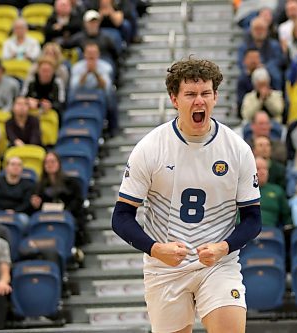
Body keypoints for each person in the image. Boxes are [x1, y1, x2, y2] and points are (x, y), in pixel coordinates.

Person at [111, 58, 262, 333]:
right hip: (165, 267)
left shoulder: (237, 149)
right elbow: (121, 217)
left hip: (218, 263)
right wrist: (156, 249)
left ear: (215, 96)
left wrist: (223, 247)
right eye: (190, 94)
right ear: (174, 99)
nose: (199, 101)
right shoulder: (150, 148)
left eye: (206, 93)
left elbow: (253, 220)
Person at [30, 151, 88, 246]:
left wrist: (65, 211)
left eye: (53, 161)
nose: (50, 165)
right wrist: (35, 204)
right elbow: (36, 207)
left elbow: (78, 201)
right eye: (47, 162)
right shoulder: (38, 186)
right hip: (46, 217)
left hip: (68, 214)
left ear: (59, 164)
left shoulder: (72, 183)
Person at [256, 156, 291, 228]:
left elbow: (287, 216)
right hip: (247, 230)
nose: (262, 172)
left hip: (271, 230)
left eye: (265, 169)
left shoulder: (277, 190)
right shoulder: (241, 190)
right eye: (258, 169)